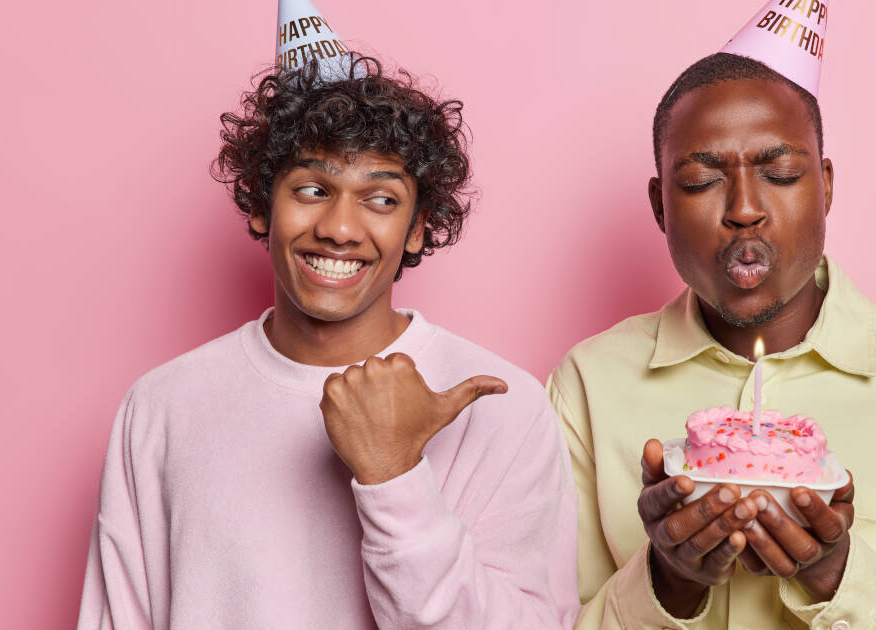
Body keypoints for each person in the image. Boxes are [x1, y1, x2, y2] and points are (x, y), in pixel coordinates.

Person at [77, 49, 578, 630]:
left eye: (382, 199)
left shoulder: (501, 408)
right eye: (312, 190)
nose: (339, 228)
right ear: (264, 207)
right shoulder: (161, 406)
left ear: (416, 228)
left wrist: (394, 477)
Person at [549, 50, 876, 629]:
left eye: (780, 174)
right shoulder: (589, 382)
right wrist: (668, 583)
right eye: (700, 181)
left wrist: (838, 580)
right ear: (660, 205)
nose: (743, 210)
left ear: (826, 186)